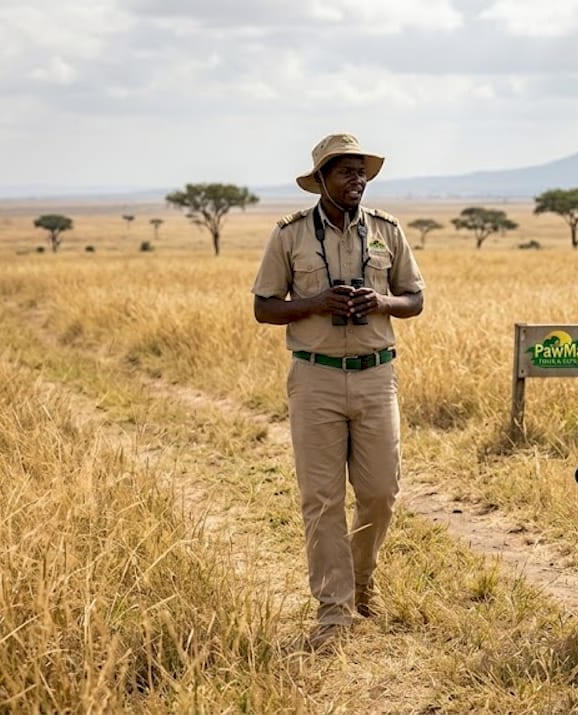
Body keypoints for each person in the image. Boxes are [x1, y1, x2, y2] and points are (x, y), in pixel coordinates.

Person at [252, 133, 425, 651]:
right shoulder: (290, 235)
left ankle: (361, 577)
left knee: (380, 492)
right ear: (322, 179)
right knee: (322, 499)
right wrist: (315, 302)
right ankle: (334, 611)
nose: (358, 180)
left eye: (362, 171)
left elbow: (415, 298)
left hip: (376, 375)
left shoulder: (387, 230)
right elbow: (264, 307)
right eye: (347, 171)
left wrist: (381, 302)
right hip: (315, 378)